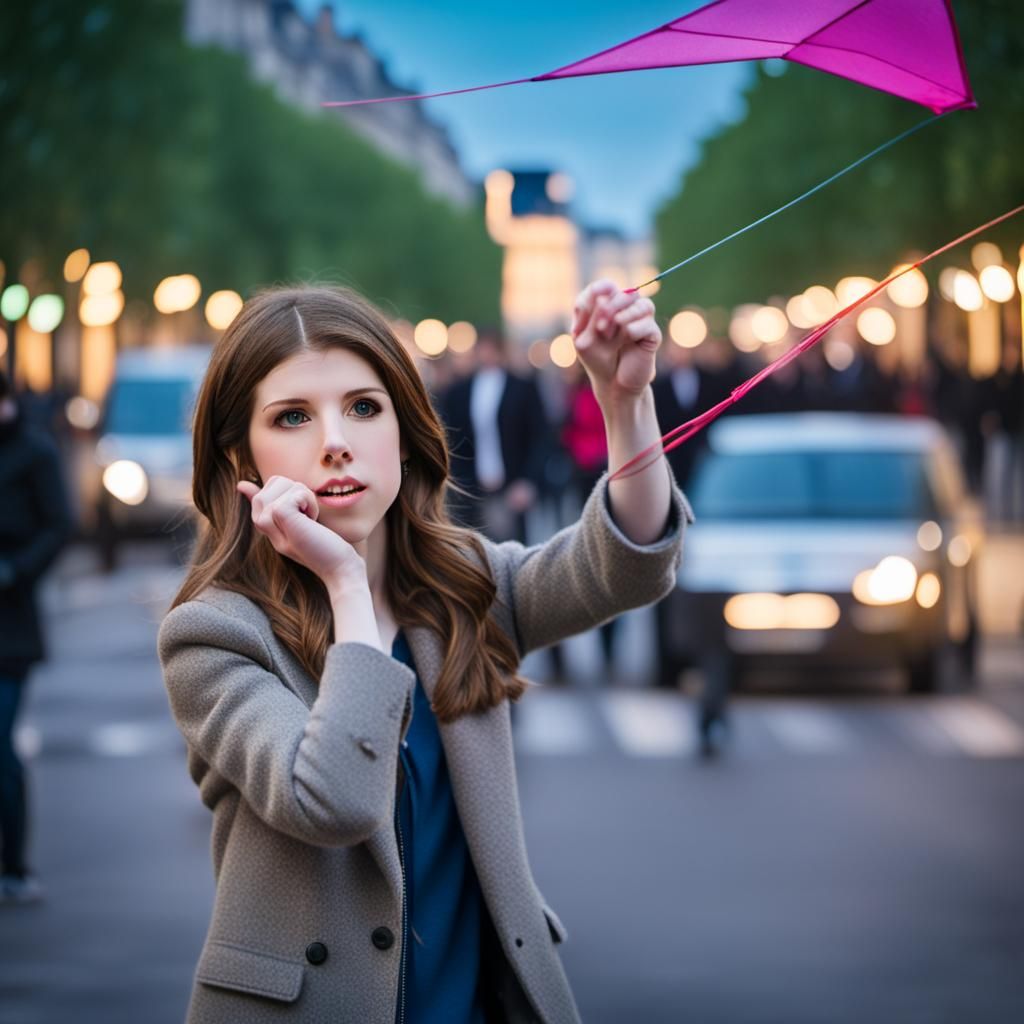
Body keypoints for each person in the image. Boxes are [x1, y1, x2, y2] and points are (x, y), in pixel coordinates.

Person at [157, 280, 693, 1023]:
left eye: (363, 407)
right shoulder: (214, 634)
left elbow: (625, 567)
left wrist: (624, 401)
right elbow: (334, 800)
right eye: (292, 417)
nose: (335, 440)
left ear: (404, 432)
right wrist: (346, 582)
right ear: (239, 455)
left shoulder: (461, 585)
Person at [0, 370, 74, 904]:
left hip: (10, 626)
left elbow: (59, 524)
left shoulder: (34, 452)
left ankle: (15, 865)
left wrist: (15, 570)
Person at [436, 330, 549, 543]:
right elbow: (452, 436)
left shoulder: (522, 388)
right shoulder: (460, 391)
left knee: (514, 546)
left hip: (512, 486)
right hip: (473, 488)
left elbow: (539, 437)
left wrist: (528, 480)